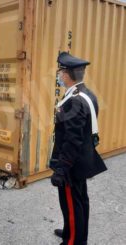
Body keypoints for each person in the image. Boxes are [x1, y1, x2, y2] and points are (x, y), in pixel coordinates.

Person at [50, 52, 107, 245]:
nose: (58, 75)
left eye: (60, 71)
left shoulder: (74, 101)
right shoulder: (86, 94)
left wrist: (61, 169)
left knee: (72, 205)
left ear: (66, 74)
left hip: (71, 165)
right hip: (82, 160)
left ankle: (73, 241)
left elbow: (72, 140)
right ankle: (72, 232)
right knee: (80, 201)